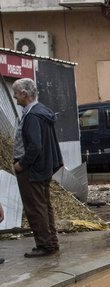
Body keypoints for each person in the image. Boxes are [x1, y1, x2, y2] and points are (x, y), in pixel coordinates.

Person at [12, 78, 63, 258]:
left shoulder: (33, 116)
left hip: (32, 169)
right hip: (43, 167)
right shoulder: (41, 112)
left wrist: (21, 164)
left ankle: (45, 245)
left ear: (24, 94)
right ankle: (51, 243)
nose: (14, 97)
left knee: (35, 208)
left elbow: (35, 146)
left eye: (16, 93)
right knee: (44, 206)